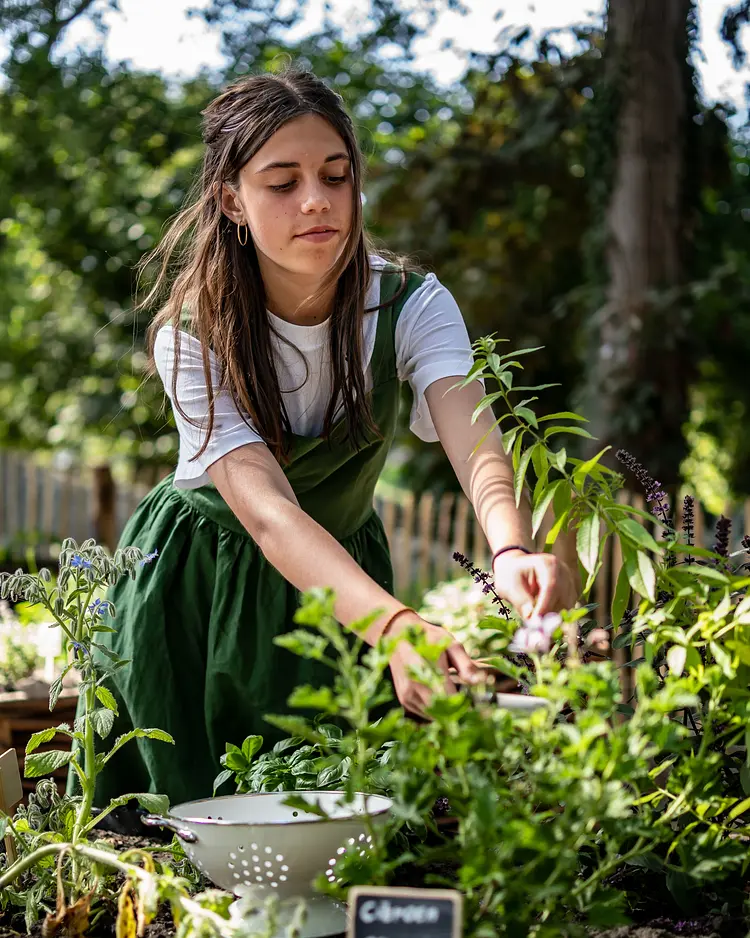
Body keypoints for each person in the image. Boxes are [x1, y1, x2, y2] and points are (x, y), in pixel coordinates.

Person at [73, 67, 575, 812]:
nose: (317, 200)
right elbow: (271, 514)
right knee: (188, 835)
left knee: (351, 820)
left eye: (336, 176)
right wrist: (399, 628)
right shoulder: (192, 332)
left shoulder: (407, 303)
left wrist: (508, 548)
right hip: (198, 590)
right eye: (283, 182)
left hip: (347, 580)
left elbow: (477, 440)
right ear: (231, 200)